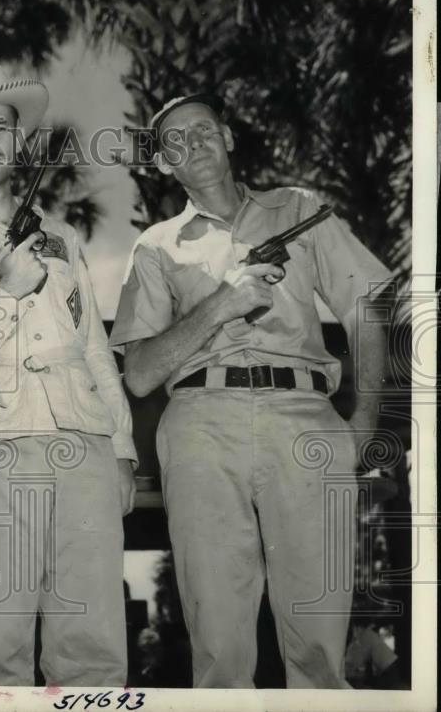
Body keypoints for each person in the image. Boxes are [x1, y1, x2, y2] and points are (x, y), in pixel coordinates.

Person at [109, 93, 392, 688]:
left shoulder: (299, 208)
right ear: (162, 164)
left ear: (229, 137)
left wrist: (364, 419)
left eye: (203, 130)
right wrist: (223, 303)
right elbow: (138, 373)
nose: (194, 144)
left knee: (320, 645)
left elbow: (368, 304)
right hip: (201, 424)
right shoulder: (156, 247)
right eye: (175, 141)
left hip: (306, 416)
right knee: (219, 649)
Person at [0, 55, 138, 687]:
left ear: (19, 140)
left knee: (93, 644)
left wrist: (121, 445)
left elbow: (94, 345)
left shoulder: (61, 236)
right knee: (2, 644)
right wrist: (5, 292)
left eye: (1, 128)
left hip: (84, 442)